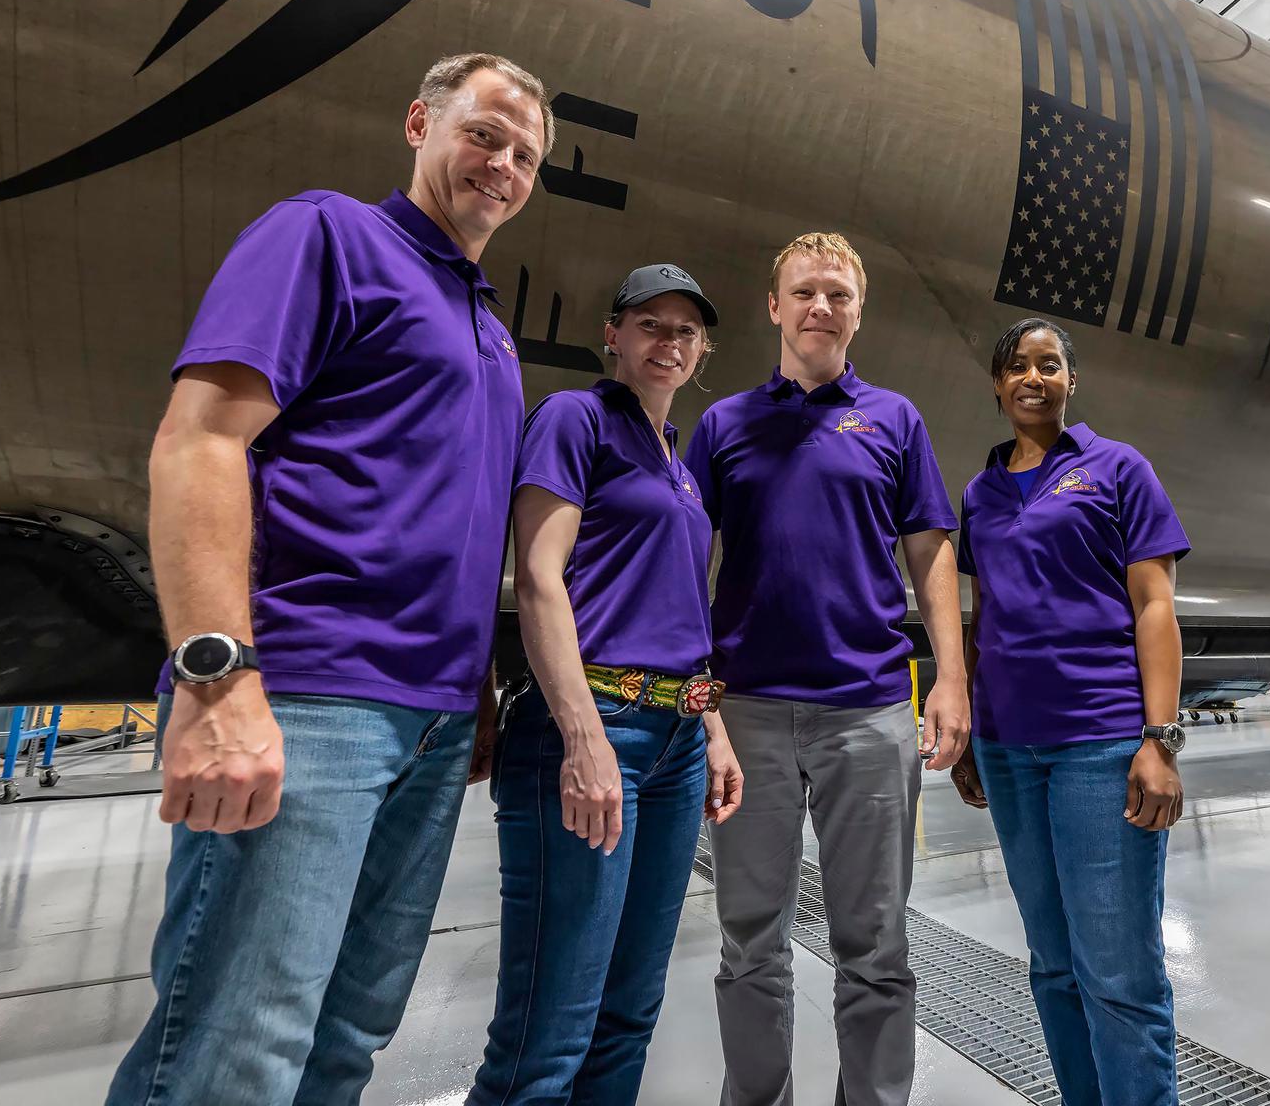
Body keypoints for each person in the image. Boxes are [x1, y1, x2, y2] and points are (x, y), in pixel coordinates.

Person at [107, 52, 553, 1105]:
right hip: (312, 700)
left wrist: (475, 691)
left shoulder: (488, 325)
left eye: (525, 154)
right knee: (237, 1045)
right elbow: (199, 440)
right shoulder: (325, 235)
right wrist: (217, 677)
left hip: (434, 724)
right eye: (484, 132)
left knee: (347, 1036)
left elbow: (449, 516)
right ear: (419, 122)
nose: (502, 164)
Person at [684, 232, 971, 1106]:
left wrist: (952, 680)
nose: (821, 308)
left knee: (878, 945)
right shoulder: (724, 425)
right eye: (804, 292)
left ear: (858, 311)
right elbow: (684, 563)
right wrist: (704, 706)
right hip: (751, 717)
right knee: (749, 943)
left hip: (869, 712)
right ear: (774, 307)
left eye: (838, 296)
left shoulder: (895, 420)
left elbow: (930, 552)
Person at [469, 264, 745, 1104]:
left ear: (702, 353)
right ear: (613, 335)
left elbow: (677, 606)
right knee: (551, 1027)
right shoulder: (574, 419)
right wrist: (583, 737)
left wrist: (712, 727)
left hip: (673, 741)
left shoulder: (680, 462)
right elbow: (539, 579)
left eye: (685, 332)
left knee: (629, 1013)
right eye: (651, 325)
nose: (669, 342)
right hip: (595, 730)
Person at [949, 318, 1191, 1106]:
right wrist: (967, 735)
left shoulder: (1118, 468)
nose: (1031, 378)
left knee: (1117, 971)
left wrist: (1160, 737)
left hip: (1100, 742)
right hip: (1009, 749)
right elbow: (981, 616)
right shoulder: (980, 493)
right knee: (1052, 964)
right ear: (996, 382)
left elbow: (1154, 605)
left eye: (1048, 366)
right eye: (1016, 365)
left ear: (1070, 381)